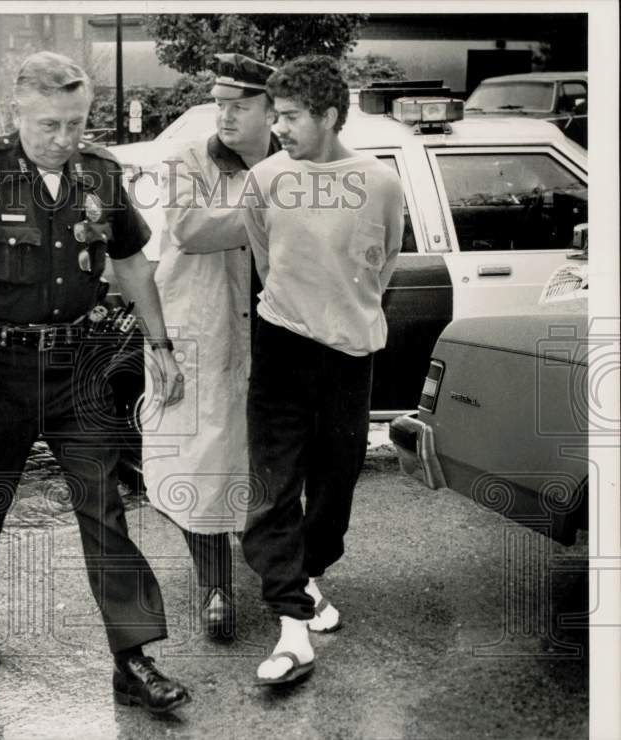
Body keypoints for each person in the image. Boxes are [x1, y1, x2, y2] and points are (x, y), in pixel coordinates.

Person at [0, 51, 191, 715]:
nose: (65, 137)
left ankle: (131, 658)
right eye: (51, 124)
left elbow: (132, 262)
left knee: (104, 503)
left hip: (79, 363)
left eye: (76, 122)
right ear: (17, 111)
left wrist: (160, 344)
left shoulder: (100, 174)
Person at [241, 55, 404, 685]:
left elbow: (383, 261)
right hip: (281, 343)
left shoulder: (379, 184)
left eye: (290, 117)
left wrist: (344, 310)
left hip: (348, 354)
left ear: (330, 116)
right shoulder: (265, 179)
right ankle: (290, 627)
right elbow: (264, 257)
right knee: (274, 486)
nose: (277, 127)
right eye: (276, 115)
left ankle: (309, 576)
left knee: (335, 487)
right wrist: (298, 308)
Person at [141, 53, 279, 641]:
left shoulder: (295, 159)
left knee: (270, 459)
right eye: (220, 104)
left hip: (276, 334)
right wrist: (281, 201)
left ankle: (288, 577)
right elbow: (191, 230)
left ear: (272, 111)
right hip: (205, 333)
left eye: (240, 105)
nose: (224, 115)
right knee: (199, 462)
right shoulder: (189, 159)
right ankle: (216, 586)